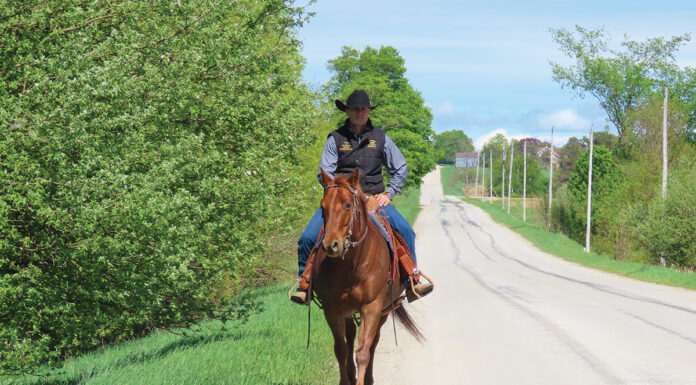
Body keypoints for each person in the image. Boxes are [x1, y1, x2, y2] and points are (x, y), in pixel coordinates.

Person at [290, 89, 433, 305]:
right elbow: (324, 173)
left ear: (368, 111)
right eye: (355, 109)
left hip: (374, 201)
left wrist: (389, 193)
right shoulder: (335, 139)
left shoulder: (381, 138)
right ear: (347, 111)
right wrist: (338, 191)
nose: (360, 112)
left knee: (405, 231)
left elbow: (400, 167)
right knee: (308, 237)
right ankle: (305, 283)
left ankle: (411, 280)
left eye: (363, 109)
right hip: (341, 202)